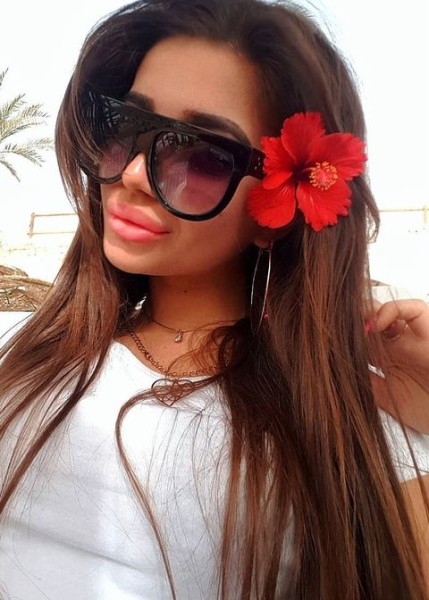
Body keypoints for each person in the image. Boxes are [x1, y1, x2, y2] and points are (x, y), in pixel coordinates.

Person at [0, 0, 428, 598]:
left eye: (202, 156)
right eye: (124, 126)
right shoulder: (25, 347)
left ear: (279, 212)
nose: (134, 175)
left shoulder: (338, 413)